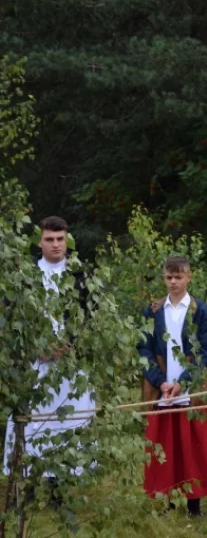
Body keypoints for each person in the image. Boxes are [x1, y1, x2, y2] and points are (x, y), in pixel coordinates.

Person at [2, 216, 95, 507]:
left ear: (67, 239)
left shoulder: (81, 273)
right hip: (34, 362)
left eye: (60, 239)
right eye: (49, 239)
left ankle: (59, 490)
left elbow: (90, 314)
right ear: (39, 241)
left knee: (65, 422)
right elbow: (12, 315)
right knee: (30, 421)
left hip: (69, 364)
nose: (56, 244)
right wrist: (36, 346)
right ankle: (27, 487)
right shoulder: (26, 273)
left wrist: (68, 343)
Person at [137, 256, 207, 517]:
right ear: (164, 278)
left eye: (178, 277)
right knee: (164, 446)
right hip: (161, 388)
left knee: (191, 447)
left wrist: (183, 384)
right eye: (169, 277)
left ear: (188, 277)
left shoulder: (200, 310)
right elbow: (144, 348)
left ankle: (193, 503)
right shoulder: (154, 311)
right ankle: (166, 499)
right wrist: (159, 382)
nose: (173, 282)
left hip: (189, 390)